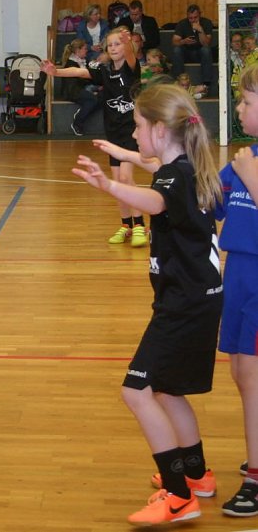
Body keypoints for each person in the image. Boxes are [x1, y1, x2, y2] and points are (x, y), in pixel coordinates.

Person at [74, 83, 223, 526]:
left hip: (183, 303)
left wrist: (109, 187)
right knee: (167, 390)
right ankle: (197, 475)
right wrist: (122, 152)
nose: (135, 135)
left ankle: (178, 497)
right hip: (198, 299)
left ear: (160, 129)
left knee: (135, 389)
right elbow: (151, 163)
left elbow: (154, 199)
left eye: (138, 127)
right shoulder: (184, 164)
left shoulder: (173, 179)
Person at [43, 27, 148, 247]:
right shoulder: (104, 70)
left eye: (118, 44)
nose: (114, 48)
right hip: (113, 132)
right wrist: (57, 72)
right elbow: (80, 73)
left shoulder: (131, 68)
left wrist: (128, 41)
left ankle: (140, 226)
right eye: (110, 45)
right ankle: (125, 225)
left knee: (127, 179)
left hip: (131, 132)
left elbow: (130, 53)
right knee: (117, 181)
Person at [217, 63, 258, 518]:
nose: (240, 109)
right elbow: (209, 201)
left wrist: (249, 175)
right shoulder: (245, 159)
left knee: (252, 377)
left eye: (246, 101)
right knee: (242, 374)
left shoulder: (249, 165)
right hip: (239, 277)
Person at [59, 38, 101, 136]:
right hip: (72, 90)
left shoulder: (80, 62)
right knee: (93, 100)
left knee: (100, 98)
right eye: (85, 49)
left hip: (79, 88)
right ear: (78, 50)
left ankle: (82, 112)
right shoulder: (71, 63)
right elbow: (80, 81)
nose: (87, 51)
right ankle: (77, 122)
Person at [171, 4, 215, 90]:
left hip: (200, 52)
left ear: (200, 15)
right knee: (177, 50)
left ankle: (206, 83)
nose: (193, 20)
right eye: (190, 18)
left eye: (195, 17)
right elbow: (174, 41)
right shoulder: (182, 23)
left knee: (206, 50)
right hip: (186, 52)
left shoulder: (206, 23)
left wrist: (200, 30)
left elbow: (206, 43)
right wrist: (184, 41)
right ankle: (178, 80)